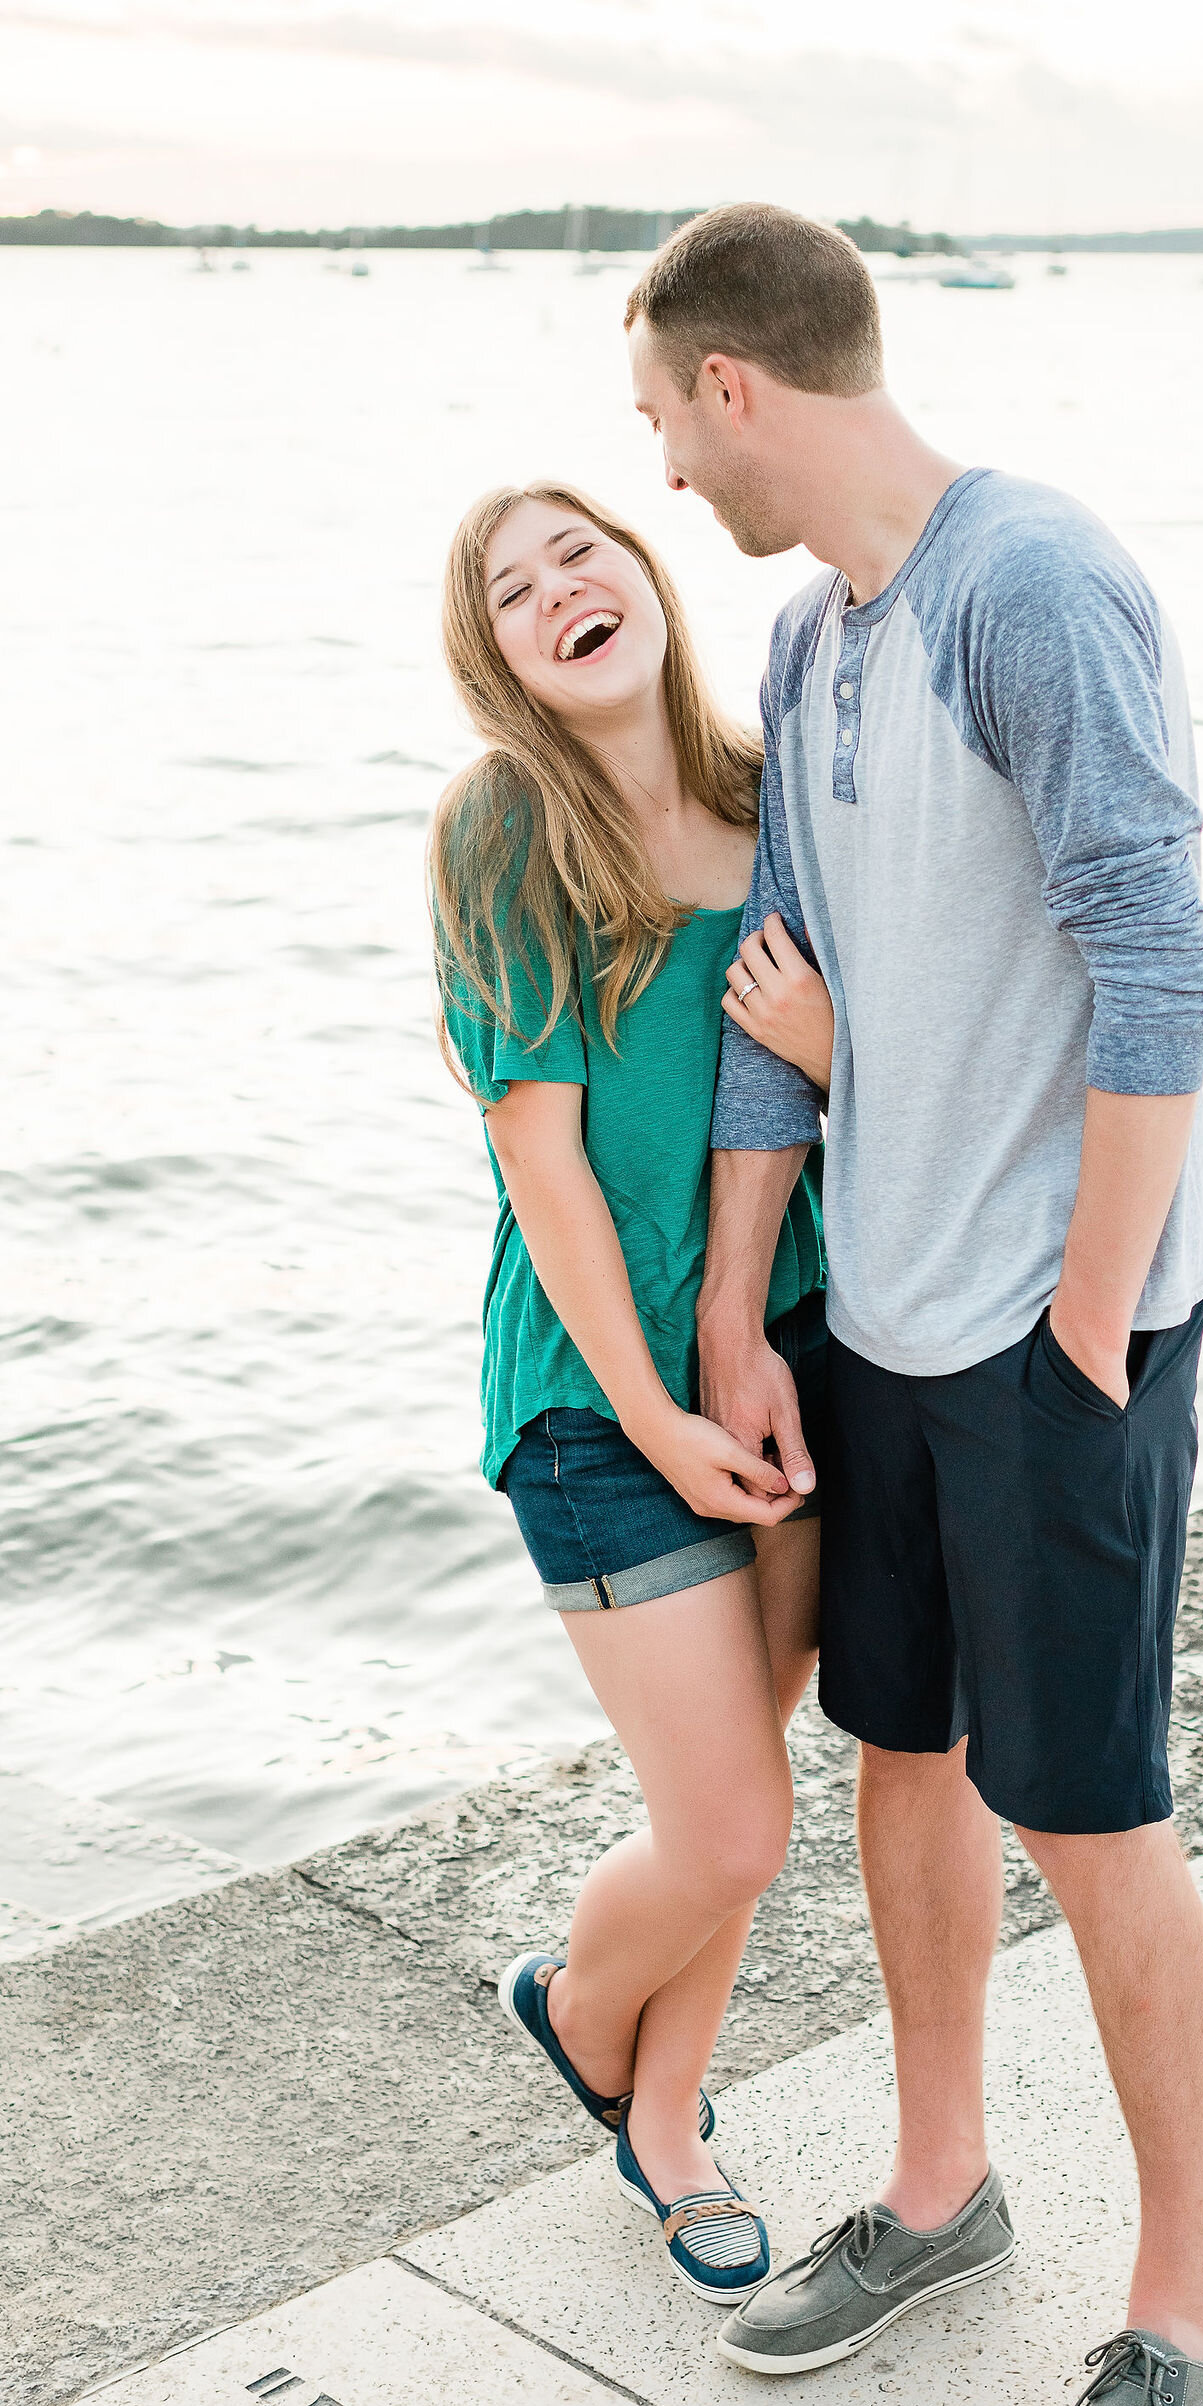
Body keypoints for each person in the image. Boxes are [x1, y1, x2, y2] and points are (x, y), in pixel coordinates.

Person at [622, 206, 1203, 2406]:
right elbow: (788, 996)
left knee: (1088, 1812)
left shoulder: (1033, 583)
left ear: (733, 387)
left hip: (1047, 1332)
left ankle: (1186, 2307)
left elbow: (1158, 963)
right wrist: (735, 1316)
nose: (670, 484)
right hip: (877, 1322)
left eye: (663, 425)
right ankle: (936, 2183)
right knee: (905, 1755)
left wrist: (1091, 1315)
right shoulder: (809, 636)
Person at [430, 475, 835, 2306]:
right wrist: (656, 1410)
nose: (562, 590)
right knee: (732, 1819)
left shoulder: (777, 792)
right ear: (501, 659)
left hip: (792, 1350)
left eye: (580, 549)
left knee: (741, 1777)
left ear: (643, 572)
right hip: (601, 1403)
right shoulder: (507, 830)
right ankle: (579, 2004)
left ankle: (670, 2125)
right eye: (516, 592)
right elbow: (548, 1171)